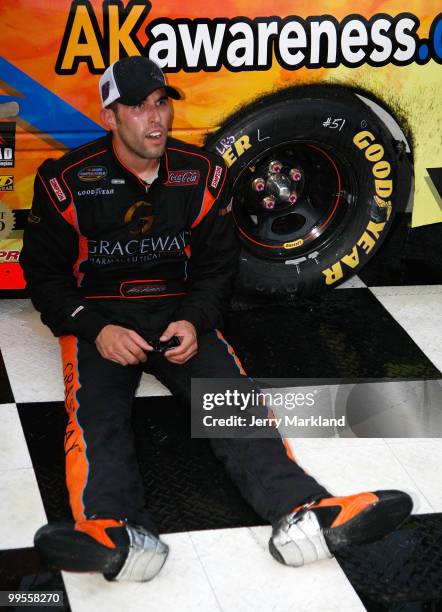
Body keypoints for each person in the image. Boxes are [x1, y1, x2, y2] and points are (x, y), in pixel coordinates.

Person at [20, 56, 412, 583]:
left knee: (233, 405)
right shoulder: (65, 180)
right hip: (102, 315)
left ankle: (303, 513)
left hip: (179, 309)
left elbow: (217, 269)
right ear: (110, 117)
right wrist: (96, 329)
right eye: (138, 108)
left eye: (161, 104)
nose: (156, 119)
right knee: (96, 416)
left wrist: (193, 319)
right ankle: (114, 532)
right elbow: (43, 277)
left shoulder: (203, 174)